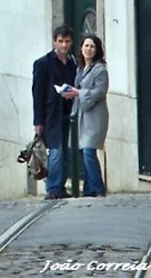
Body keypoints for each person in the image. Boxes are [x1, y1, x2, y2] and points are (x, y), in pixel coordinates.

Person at [32, 25, 78, 200]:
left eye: (67, 41)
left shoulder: (73, 63)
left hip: (69, 112)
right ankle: (53, 188)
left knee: (66, 152)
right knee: (56, 151)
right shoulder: (43, 63)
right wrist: (38, 121)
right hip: (51, 115)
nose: (64, 45)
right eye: (61, 41)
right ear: (54, 42)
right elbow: (37, 93)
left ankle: (61, 186)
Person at [62, 34, 109, 197]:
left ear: (97, 50)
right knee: (83, 151)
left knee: (89, 150)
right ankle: (89, 189)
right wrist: (70, 93)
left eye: (92, 46)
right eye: (86, 46)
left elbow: (100, 91)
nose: (88, 49)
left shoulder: (100, 70)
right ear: (81, 48)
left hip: (95, 116)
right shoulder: (80, 69)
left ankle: (98, 188)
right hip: (81, 115)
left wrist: (78, 93)